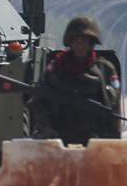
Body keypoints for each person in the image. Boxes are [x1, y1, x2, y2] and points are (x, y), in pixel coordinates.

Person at [30, 16, 122, 147]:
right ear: (70, 43)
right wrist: (45, 128)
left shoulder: (105, 70)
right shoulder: (56, 68)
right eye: (76, 41)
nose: (80, 46)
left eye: (84, 41)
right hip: (60, 135)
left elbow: (114, 107)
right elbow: (39, 101)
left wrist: (113, 140)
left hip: (94, 137)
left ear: (91, 43)